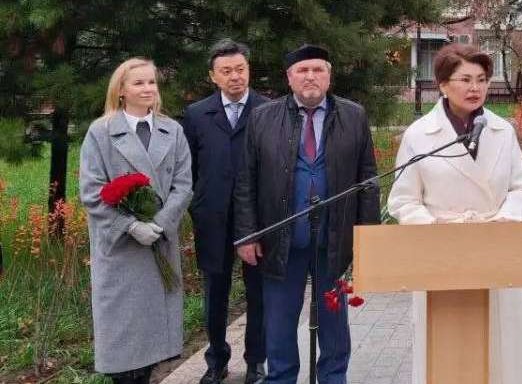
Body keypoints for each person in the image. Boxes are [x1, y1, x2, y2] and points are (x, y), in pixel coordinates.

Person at [387, 43, 522, 384]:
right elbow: (403, 201)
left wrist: (506, 220)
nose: (475, 88)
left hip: (494, 251)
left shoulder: (502, 131)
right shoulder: (420, 135)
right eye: (465, 79)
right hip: (442, 256)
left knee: (501, 351)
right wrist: (435, 226)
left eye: (482, 79)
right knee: (446, 356)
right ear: (442, 84)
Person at [232, 44, 380, 384]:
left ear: (329, 76)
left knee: (333, 322)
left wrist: (369, 238)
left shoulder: (353, 115)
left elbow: (368, 180)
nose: (310, 76)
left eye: (318, 70)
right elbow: (246, 182)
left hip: (334, 238)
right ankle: (281, 378)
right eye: (303, 70)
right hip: (280, 237)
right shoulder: (263, 117)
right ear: (289, 78)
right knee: (280, 321)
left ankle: (333, 378)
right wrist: (247, 235)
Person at [79, 58, 193, 384]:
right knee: (124, 344)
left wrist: (158, 223)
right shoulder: (100, 132)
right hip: (122, 252)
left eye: (152, 82)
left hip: (159, 243)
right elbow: (91, 191)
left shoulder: (173, 130)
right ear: (121, 91)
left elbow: (183, 185)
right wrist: (131, 226)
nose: (147, 88)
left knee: (153, 346)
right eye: (139, 83)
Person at [183, 40, 268, 384]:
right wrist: (198, 204)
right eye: (226, 71)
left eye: (240, 69)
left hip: (257, 219)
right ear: (213, 76)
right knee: (214, 292)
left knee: (258, 293)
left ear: (249, 70)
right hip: (212, 218)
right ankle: (216, 359)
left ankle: (256, 361)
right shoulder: (196, 114)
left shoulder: (267, 110)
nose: (235, 77)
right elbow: (187, 168)